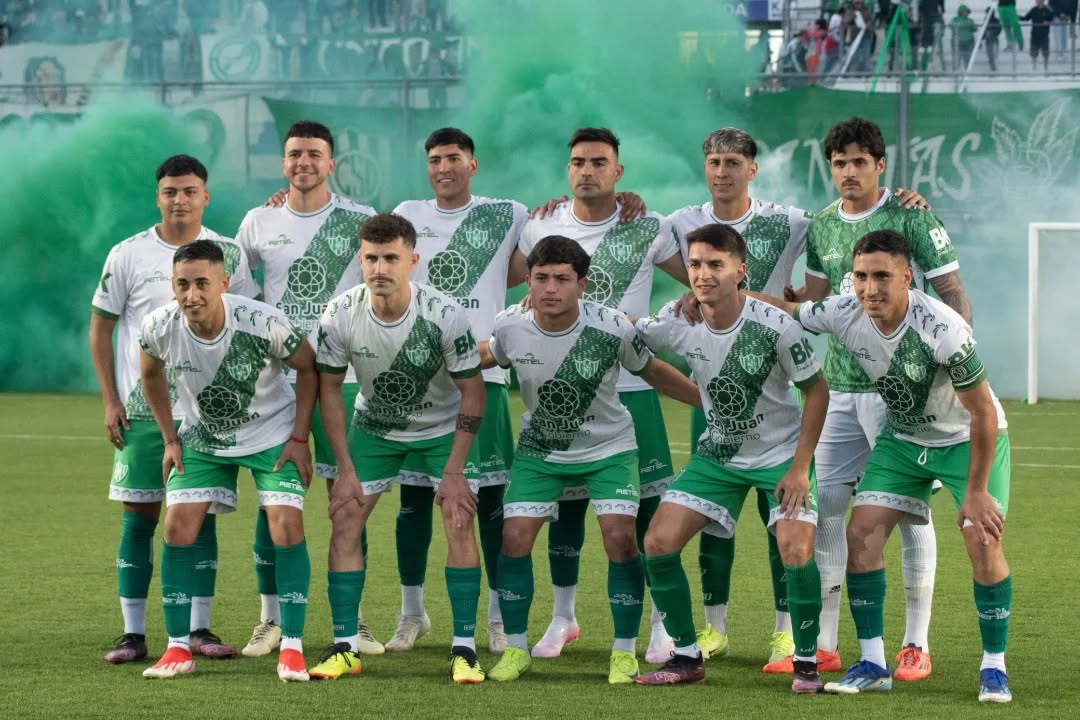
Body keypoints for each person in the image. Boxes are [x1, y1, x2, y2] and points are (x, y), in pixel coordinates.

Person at [669, 127, 928, 673]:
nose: (722, 171)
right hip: (785, 384)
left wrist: (909, 198)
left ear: (752, 168)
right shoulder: (682, 222)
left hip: (849, 388)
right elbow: (815, 296)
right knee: (788, 514)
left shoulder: (800, 220)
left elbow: (941, 289)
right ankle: (800, 641)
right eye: (714, 161)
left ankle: (904, 643)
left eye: (733, 161)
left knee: (899, 513)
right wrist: (699, 296)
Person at [762, 230, 1013, 704]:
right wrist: (722, 297)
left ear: (907, 277)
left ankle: (994, 667)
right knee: (861, 535)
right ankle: (874, 663)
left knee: (981, 537)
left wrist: (977, 491)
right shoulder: (843, 310)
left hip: (967, 439)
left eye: (881, 276)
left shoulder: (943, 328)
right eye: (860, 276)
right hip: (903, 439)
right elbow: (788, 310)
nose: (869, 288)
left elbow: (981, 411)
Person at [788, 116, 974, 683]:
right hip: (840, 388)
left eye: (859, 162)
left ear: (880, 165)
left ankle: (916, 644)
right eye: (839, 163)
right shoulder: (822, 225)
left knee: (909, 512)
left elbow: (953, 295)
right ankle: (825, 642)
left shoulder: (913, 217)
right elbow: (816, 302)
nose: (849, 172)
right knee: (830, 510)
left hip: (902, 395)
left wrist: (946, 375)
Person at [481, 235, 702, 685]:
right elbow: (485, 356)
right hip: (541, 451)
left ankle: (623, 652)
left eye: (562, 279)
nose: (550, 288)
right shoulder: (509, 325)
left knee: (620, 538)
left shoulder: (612, 326)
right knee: (514, 537)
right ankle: (516, 649)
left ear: (582, 284)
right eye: (541, 278)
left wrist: (705, 402)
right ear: (528, 281)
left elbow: (653, 370)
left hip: (608, 449)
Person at [633, 223, 829, 691]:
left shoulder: (778, 326)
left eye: (715, 265)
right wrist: (698, 399)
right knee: (658, 541)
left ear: (740, 271)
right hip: (718, 456)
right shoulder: (678, 321)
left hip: (781, 456)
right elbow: (634, 346)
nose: (703, 274)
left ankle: (806, 663)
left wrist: (800, 468)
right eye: (696, 264)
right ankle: (686, 657)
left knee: (795, 549)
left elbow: (817, 392)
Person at [519, 127, 689, 663]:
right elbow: (512, 282)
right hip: (563, 393)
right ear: (567, 170)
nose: (587, 170)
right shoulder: (540, 224)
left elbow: (701, 280)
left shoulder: (648, 224)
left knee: (648, 511)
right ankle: (562, 618)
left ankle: (661, 624)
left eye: (598, 162)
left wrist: (671, 315)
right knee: (565, 513)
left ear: (618, 170)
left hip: (633, 386)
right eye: (578, 162)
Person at [90, 154, 258, 665]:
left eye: (189, 191)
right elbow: (101, 328)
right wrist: (110, 399)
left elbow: (247, 321)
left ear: (205, 196)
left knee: (199, 521)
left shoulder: (228, 253)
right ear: (157, 197)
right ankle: (133, 634)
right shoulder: (128, 253)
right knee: (139, 520)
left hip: (205, 416)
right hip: (142, 412)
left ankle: (198, 629)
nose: (179, 200)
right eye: (170, 191)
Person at [312, 213, 489, 684]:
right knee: (345, 518)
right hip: (374, 427)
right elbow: (329, 391)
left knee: (458, 519)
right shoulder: (340, 313)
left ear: (413, 260)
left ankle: (465, 649)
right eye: (371, 258)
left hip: (441, 429)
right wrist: (344, 469)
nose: (380, 268)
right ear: (360, 259)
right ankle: (345, 646)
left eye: (391, 258)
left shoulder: (444, 314)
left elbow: (473, 392)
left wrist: (455, 470)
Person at [235, 120, 382, 657]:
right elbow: (239, 291)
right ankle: (269, 619)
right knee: (273, 499)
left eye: (314, 154)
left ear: (331, 163)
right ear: (283, 163)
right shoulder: (259, 220)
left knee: (349, 500)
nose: (304, 162)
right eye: (295, 154)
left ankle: (353, 619)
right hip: (279, 383)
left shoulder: (360, 219)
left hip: (344, 378)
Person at [138, 240, 316, 682]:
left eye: (202, 283)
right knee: (177, 526)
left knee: (285, 525)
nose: (192, 294)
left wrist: (299, 437)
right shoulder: (159, 326)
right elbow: (149, 373)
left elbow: (309, 367)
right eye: (183, 284)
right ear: (172, 285)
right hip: (203, 437)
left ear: (224, 282)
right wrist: (170, 439)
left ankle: (292, 648)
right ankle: (178, 648)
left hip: (271, 431)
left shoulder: (263, 322)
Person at [386, 128, 529, 655]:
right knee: (413, 503)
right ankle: (412, 613)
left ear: (473, 163)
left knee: (489, 502)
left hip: (481, 374)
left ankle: (496, 618)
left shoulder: (508, 214)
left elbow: (543, 255)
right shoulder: (408, 213)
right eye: (434, 159)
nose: (443, 167)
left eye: (453, 158)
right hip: (418, 377)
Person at [1022, 0, 1056, 70]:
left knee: (1045, 54)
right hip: (1034, 35)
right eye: (1037, 0)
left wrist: (1048, 22)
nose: (1039, 1)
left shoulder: (1048, 10)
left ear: (1043, 1)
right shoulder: (1033, 9)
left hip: (1044, 36)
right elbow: (1026, 18)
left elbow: (1054, 21)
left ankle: (1046, 70)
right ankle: (1034, 69)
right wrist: (1015, 16)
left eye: (1040, 0)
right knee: (1034, 55)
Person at [950, 5, 977, 70]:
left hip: (969, 41)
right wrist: (962, 25)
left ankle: (967, 71)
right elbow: (951, 25)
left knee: (968, 58)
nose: (966, 12)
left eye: (967, 11)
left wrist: (970, 26)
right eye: (964, 11)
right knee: (956, 58)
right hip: (957, 42)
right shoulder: (955, 19)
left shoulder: (970, 20)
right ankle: (955, 72)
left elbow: (974, 29)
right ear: (960, 11)